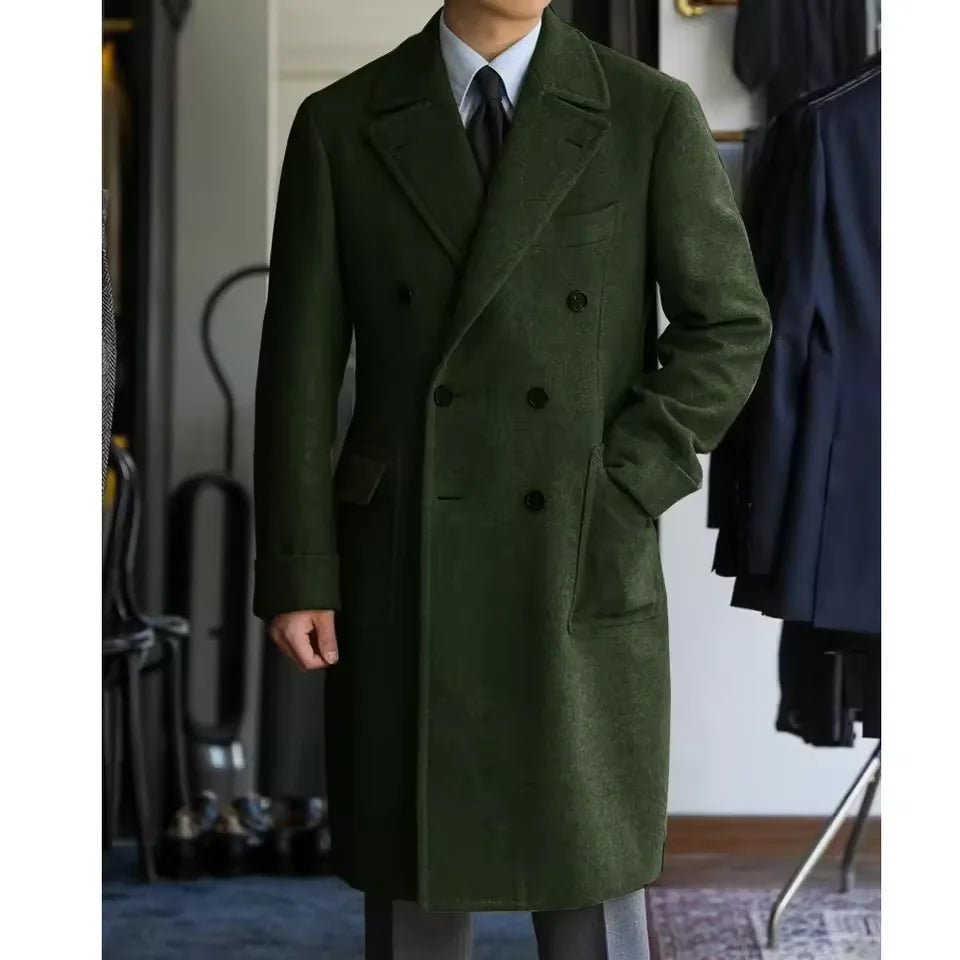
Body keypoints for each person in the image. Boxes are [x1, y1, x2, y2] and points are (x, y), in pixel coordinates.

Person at [253, 2, 771, 957]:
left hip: (576, 540)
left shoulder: (646, 111)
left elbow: (729, 326)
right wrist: (297, 568)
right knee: (415, 871)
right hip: (406, 550)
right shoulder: (342, 122)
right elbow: (298, 372)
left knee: (589, 858)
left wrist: (629, 476)